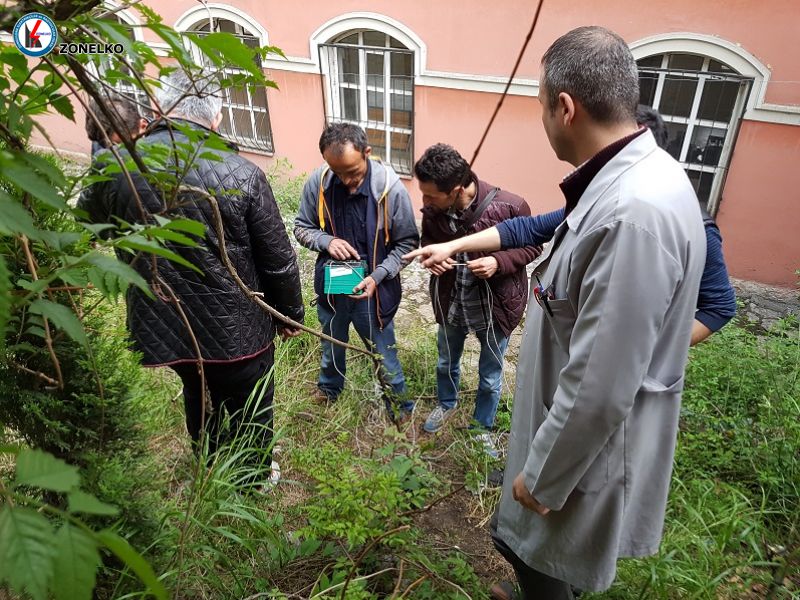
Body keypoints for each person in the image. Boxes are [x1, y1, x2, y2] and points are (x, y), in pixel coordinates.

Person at [406, 26, 707, 597]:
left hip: (581, 449)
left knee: (549, 557)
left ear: (565, 108)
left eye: (541, 105)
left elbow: (600, 382)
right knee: (534, 553)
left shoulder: (632, 215)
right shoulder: (623, 182)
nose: (542, 118)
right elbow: (534, 229)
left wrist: (545, 475)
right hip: (565, 424)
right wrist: (455, 246)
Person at [78, 69, 304, 489]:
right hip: (237, 329)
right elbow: (278, 260)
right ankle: (253, 477)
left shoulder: (116, 166)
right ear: (216, 117)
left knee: (197, 388)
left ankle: (208, 463)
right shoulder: (242, 173)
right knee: (250, 403)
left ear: (163, 108)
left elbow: (86, 230)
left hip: (165, 325)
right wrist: (290, 315)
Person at [481, 105, 736, 349]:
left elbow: (719, 306)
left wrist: (653, 349)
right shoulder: (597, 204)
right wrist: (459, 244)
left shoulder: (692, 226)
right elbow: (530, 229)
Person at [412, 143, 541, 454]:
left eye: (431, 196)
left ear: (457, 190)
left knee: (490, 374)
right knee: (446, 361)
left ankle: (481, 427)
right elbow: (428, 241)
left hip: (494, 308)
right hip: (452, 302)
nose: (424, 202)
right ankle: (447, 403)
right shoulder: (434, 211)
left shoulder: (511, 206)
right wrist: (432, 258)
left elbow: (533, 246)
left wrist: (499, 262)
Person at [294, 123, 419, 420]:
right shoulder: (319, 183)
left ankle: (399, 407)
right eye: (338, 172)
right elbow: (302, 227)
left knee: (383, 352)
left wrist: (378, 276)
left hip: (373, 289)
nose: (346, 181)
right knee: (331, 343)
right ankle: (329, 389)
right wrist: (326, 241)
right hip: (333, 284)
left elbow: (407, 243)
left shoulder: (390, 189)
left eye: (352, 172)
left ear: (367, 152)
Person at [84, 90, 148, 155]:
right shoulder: (99, 146)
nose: (122, 152)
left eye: (128, 145)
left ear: (143, 125)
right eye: (114, 146)